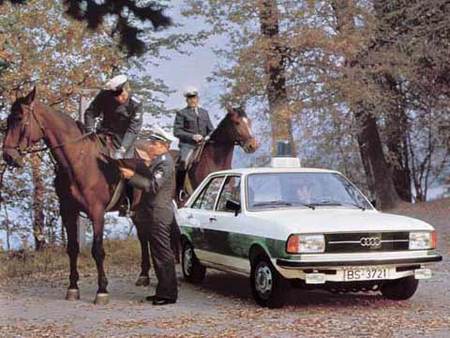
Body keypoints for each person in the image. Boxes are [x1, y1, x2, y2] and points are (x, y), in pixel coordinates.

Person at [119, 127, 178, 306]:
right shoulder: (157, 161)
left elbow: (153, 186)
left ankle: (168, 294)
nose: (150, 146)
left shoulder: (165, 163)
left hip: (159, 213)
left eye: (154, 144)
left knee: (163, 253)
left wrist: (132, 176)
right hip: (152, 212)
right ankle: (162, 290)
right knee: (157, 253)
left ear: (163, 146)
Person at [84, 74, 143, 159]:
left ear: (128, 89)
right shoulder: (104, 95)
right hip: (102, 134)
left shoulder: (136, 104)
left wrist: (122, 149)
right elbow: (91, 112)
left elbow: (133, 129)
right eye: (116, 96)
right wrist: (90, 128)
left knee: (123, 166)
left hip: (122, 140)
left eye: (122, 95)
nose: (119, 98)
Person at [173, 87, 214, 194]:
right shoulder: (182, 113)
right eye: (190, 98)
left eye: (194, 98)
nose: (192, 100)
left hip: (203, 144)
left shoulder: (204, 113)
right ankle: (180, 189)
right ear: (186, 100)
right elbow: (177, 131)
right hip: (188, 145)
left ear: (198, 98)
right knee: (184, 162)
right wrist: (192, 136)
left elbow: (211, 129)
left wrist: (208, 136)